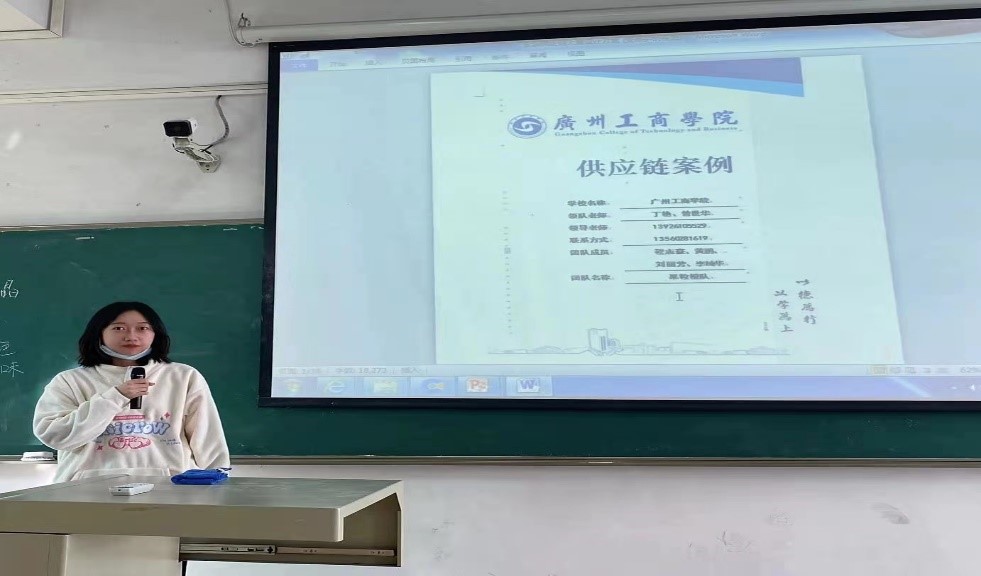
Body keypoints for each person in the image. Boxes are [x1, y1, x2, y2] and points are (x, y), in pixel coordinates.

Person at [33, 301, 230, 483]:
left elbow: (207, 434)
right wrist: (115, 397)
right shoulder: (70, 381)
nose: (131, 336)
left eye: (143, 328)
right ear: (99, 333)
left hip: (169, 489)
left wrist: (218, 478)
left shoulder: (183, 376)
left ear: (155, 333)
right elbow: (54, 435)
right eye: (118, 328)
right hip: (85, 490)